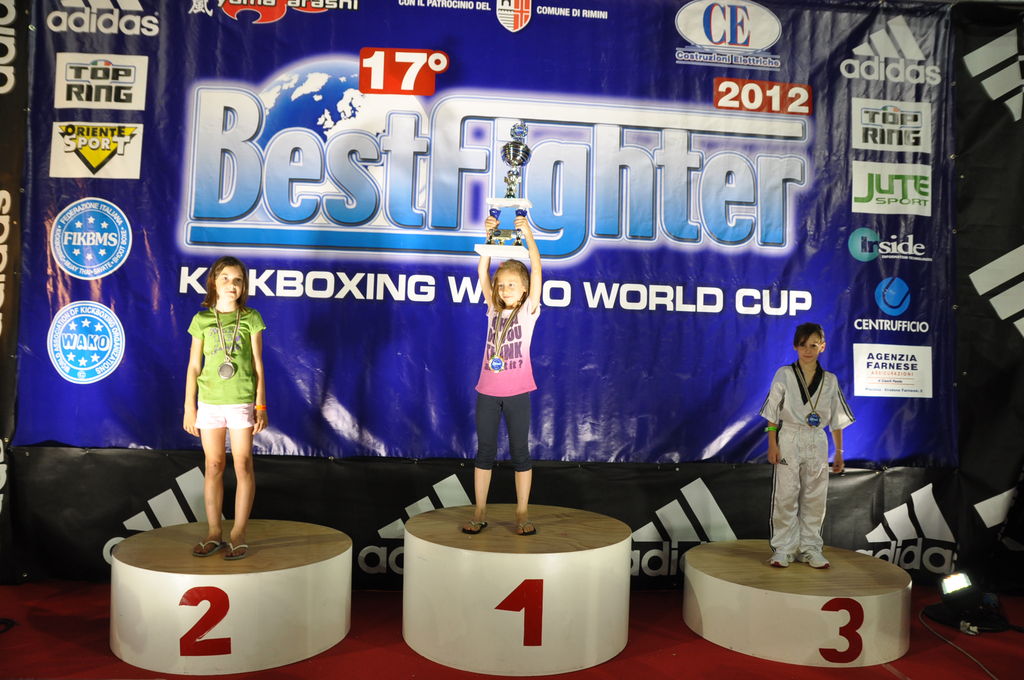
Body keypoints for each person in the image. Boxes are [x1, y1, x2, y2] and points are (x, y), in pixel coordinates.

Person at [462, 214, 542, 536]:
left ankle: (522, 513)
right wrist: (489, 238)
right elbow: (482, 271)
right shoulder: (493, 309)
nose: (505, 289)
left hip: (518, 392)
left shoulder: (528, 311)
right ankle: (479, 511)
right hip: (487, 391)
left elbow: (536, 267)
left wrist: (529, 234)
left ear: (524, 290)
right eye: (502, 284)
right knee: (485, 452)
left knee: (520, 453)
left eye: (512, 284)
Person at [183, 256, 267, 560]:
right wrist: (189, 407)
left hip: (242, 400)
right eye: (226, 278)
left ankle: (238, 534)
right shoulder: (201, 320)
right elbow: (194, 366)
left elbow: (258, 365)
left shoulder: (251, 317)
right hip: (209, 402)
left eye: (238, 280)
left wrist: (260, 404)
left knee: (243, 464)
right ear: (214, 283)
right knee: (214, 465)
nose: (232, 285)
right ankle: (214, 533)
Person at [759, 322, 854, 568]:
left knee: (815, 496)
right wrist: (772, 443)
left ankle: (810, 548)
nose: (808, 350)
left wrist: (839, 453)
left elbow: (836, 419)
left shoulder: (830, 380)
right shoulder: (784, 374)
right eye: (803, 345)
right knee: (786, 495)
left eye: (813, 345)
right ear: (795, 347)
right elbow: (772, 412)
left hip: (817, 439)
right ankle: (784, 548)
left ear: (823, 346)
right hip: (789, 436)